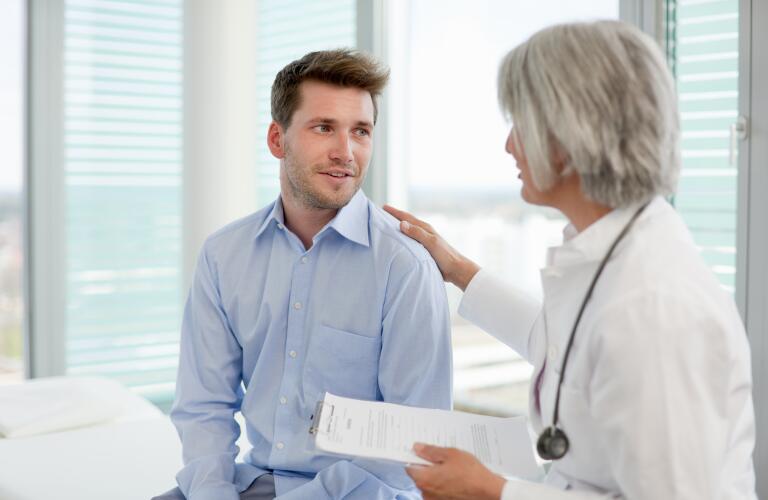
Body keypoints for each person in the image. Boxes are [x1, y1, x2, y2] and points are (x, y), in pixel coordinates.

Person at [384, 20, 757, 500]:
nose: (508, 145)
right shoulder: (613, 245)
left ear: (568, 140)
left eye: (519, 124)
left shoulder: (654, 307)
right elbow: (565, 342)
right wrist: (457, 268)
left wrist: (494, 492)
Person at [155, 49, 452, 500]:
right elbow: (204, 407)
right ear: (278, 139)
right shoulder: (224, 254)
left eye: (361, 131)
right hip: (254, 482)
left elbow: (411, 443)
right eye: (323, 127)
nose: (345, 152)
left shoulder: (403, 265)